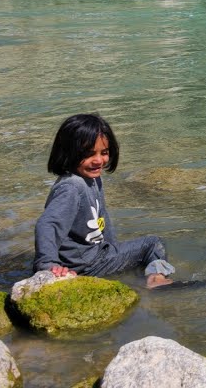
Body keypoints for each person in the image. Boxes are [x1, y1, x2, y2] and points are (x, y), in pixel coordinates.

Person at [33, 114, 176, 288]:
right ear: (68, 152)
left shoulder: (91, 178)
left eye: (104, 152)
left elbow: (102, 220)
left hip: (89, 257)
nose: (99, 160)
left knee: (140, 250)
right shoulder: (71, 187)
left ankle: (137, 278)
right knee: (153, 244)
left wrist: (113, 248)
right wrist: (48, 265)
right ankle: (156, 280)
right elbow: (47, 224)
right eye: (89, 154)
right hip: (87, 264)